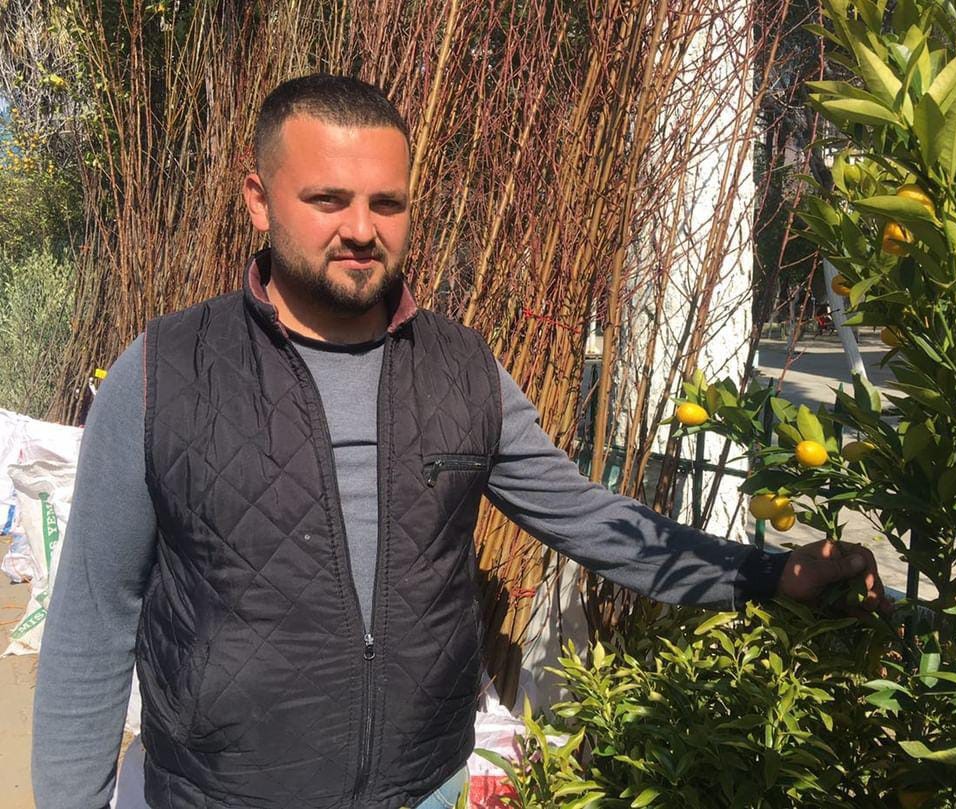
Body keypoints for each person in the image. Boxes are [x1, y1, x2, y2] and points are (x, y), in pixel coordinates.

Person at [32, 74, 890, 809]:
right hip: (222, 792)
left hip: (423, 784)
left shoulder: (460, 369)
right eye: (327, 199)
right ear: (258, 198)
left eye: (387, 203)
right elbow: (93, 620)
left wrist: (765, 574)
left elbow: (588, 518)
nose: (361, 228)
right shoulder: (164, 372)